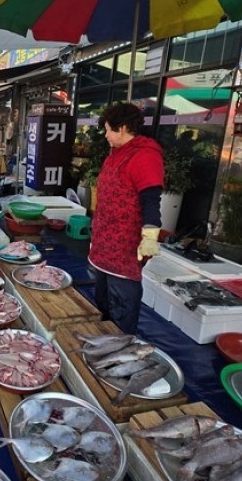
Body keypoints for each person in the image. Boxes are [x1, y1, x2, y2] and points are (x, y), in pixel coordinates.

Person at [88, 102, 164, 334]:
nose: (105, 135)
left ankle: (121, 344)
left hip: (124, 245)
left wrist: (150, 237)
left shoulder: (144, 156)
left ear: (121, 128)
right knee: (102, 300)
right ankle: (103, 337)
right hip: (104, 241)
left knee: (122, 304)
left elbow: (151, 201)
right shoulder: (116, 154)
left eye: (108, 130)